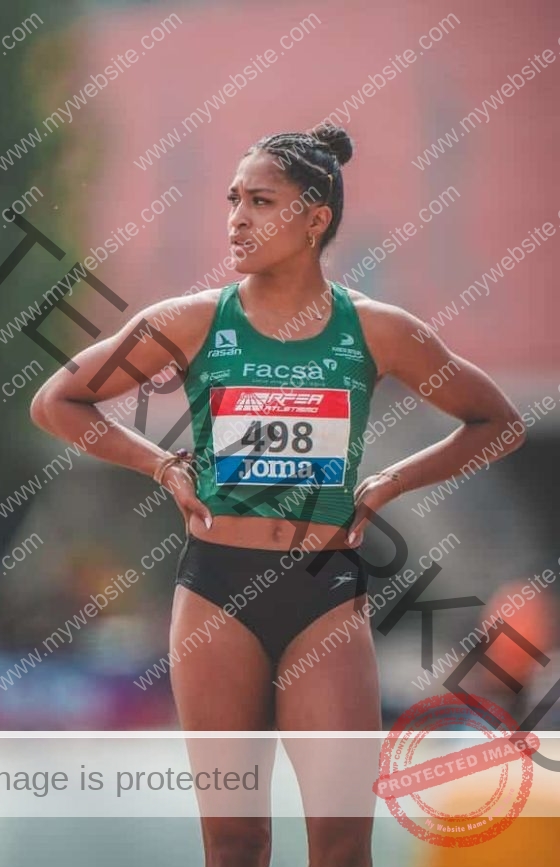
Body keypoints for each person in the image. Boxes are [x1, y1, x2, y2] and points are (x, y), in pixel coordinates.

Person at [30, 124, 526, 867]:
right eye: (232, 200)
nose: (236, 218)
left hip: (324, 596)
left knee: (339, 842)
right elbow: (55, 402)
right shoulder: (191, 320)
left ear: (315, 216)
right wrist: (160, 465)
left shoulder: (378, 330)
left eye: (261, 201)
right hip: (214, 594)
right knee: (235, 842)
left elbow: (499, 422)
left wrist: (392, 480)